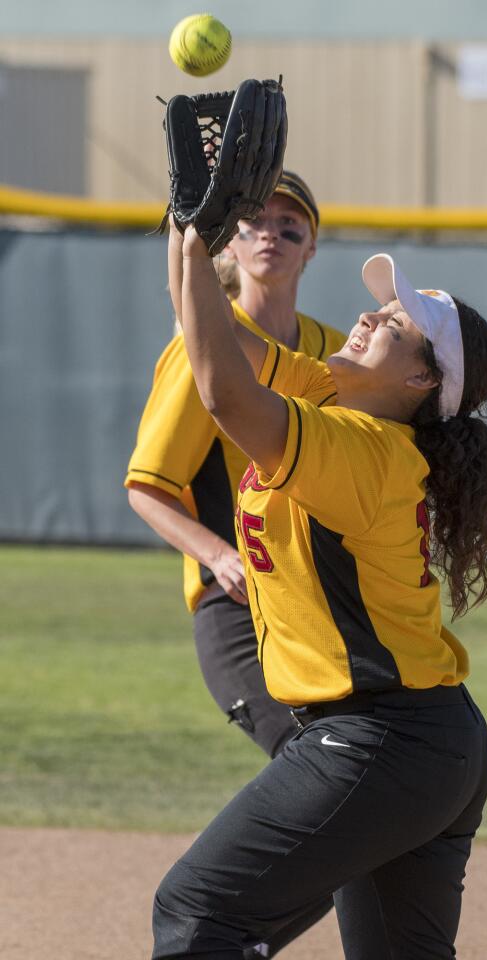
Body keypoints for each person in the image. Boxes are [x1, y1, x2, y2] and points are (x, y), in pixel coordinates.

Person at [150, 215, 487, 960]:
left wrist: (193, 243)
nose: (371, 313)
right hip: (429, 742)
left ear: (419, 379)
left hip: (377, 739)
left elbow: (223, 395)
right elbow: (214, 337)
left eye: (397, 323)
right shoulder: (331, 394)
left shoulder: (365, 447)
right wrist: (191, 237)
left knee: (196, 912)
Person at [126, 171, 346, 760]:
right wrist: (219, 557)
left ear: (313, 246)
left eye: (289, 225)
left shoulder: (335, 349)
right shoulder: (198, 351)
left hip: (315, 600)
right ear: (230, 244)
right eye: (252, 223)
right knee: (312, 761)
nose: (270, 234)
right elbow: (147, 489)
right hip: (238, 603)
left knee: (350, 764)